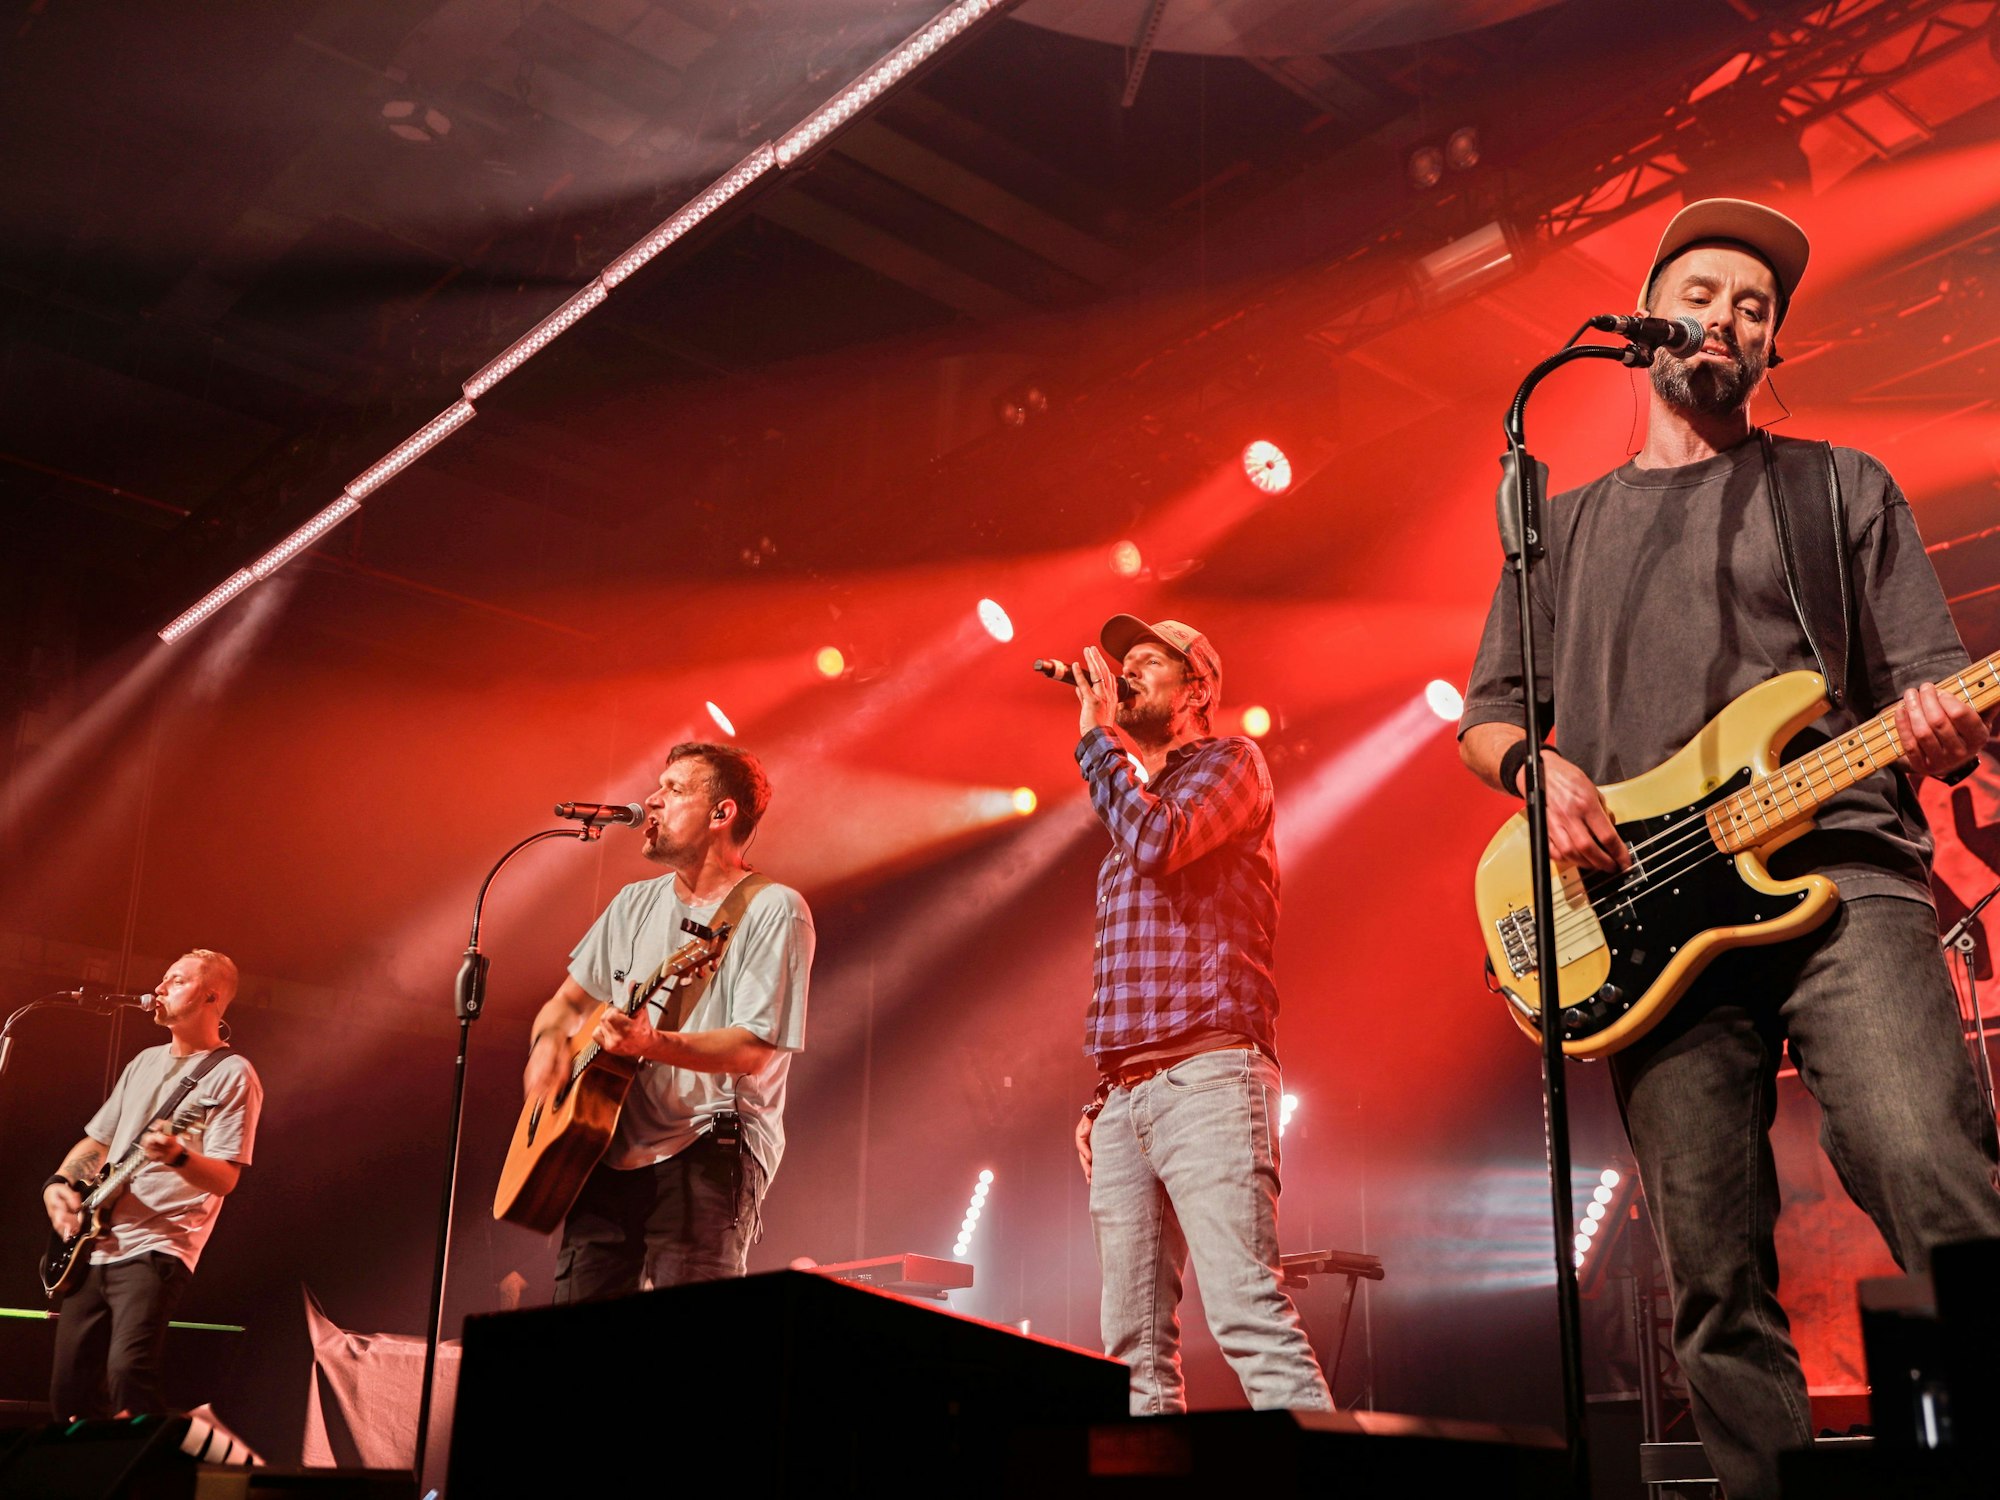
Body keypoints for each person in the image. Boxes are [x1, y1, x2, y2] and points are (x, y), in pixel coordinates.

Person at [1458, 198, 2000, 1498]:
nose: (1729, 316)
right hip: (1639, 915)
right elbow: (1487, 718)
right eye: (1703, 290)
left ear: (1773, 352)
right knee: (1710, 1268)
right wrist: (1541, 774)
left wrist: (1938, 736)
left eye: (1757, 308)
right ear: (1647, 319)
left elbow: (1935, 696)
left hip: (1845, 872)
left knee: (1928, 1163)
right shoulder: (1565, 525)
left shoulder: (1835, 488)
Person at [1067, 615, 1331, 1414]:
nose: (1129, 673)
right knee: (1132, 1351)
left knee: (1249, 1314)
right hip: (1126, 1098)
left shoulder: (1231, 765)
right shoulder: (1131, 803)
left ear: (1198, 690)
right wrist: (1102, 1096)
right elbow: (1130, 975)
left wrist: (1095, 738)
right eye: (1125, 664)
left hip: (1210, 1077)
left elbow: (1160, 841)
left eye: (1149, 663)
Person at [523, 741, 813, 1300]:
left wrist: (650, 1043)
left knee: (685, 1361)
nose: (650, 801)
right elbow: (565, 1005)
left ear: (721, 814)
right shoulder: (633, 902)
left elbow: (753, 1048)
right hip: (605, 1148)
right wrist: (546, 1049)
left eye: (674, 790)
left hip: (709, 1150)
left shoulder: (774, 908)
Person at [42, 949, 262, 1420]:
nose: (160, 988)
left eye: (176, 980)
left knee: (128, 1373)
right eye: (162, 978)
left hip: (159, 1247)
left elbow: (224, 1178)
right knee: (69, 1393)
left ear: (210, 996)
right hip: (95, 1245)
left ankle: (164, 1472)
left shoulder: (231, 1074)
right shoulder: (143, 1062)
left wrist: (179, 1155)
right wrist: (59, 1184)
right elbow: (97, 1142)